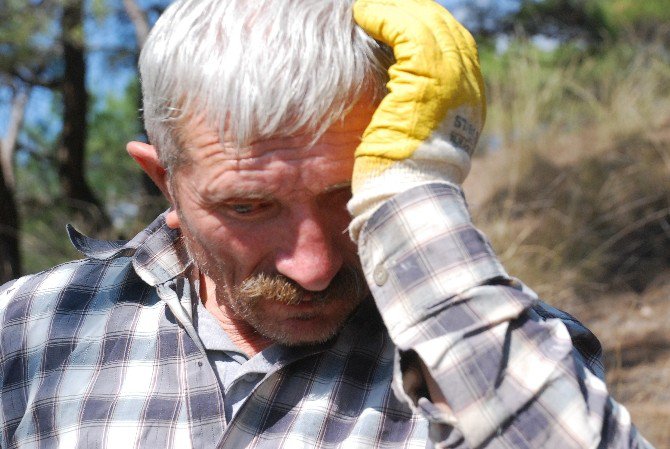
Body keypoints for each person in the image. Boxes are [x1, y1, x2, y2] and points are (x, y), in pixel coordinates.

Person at [0, 0, 655, 447]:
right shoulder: (24, 327)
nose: (312, 266)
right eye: (247, 206)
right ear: (163, 180)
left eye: (351, 197)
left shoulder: (495, 350)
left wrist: (409, 187)